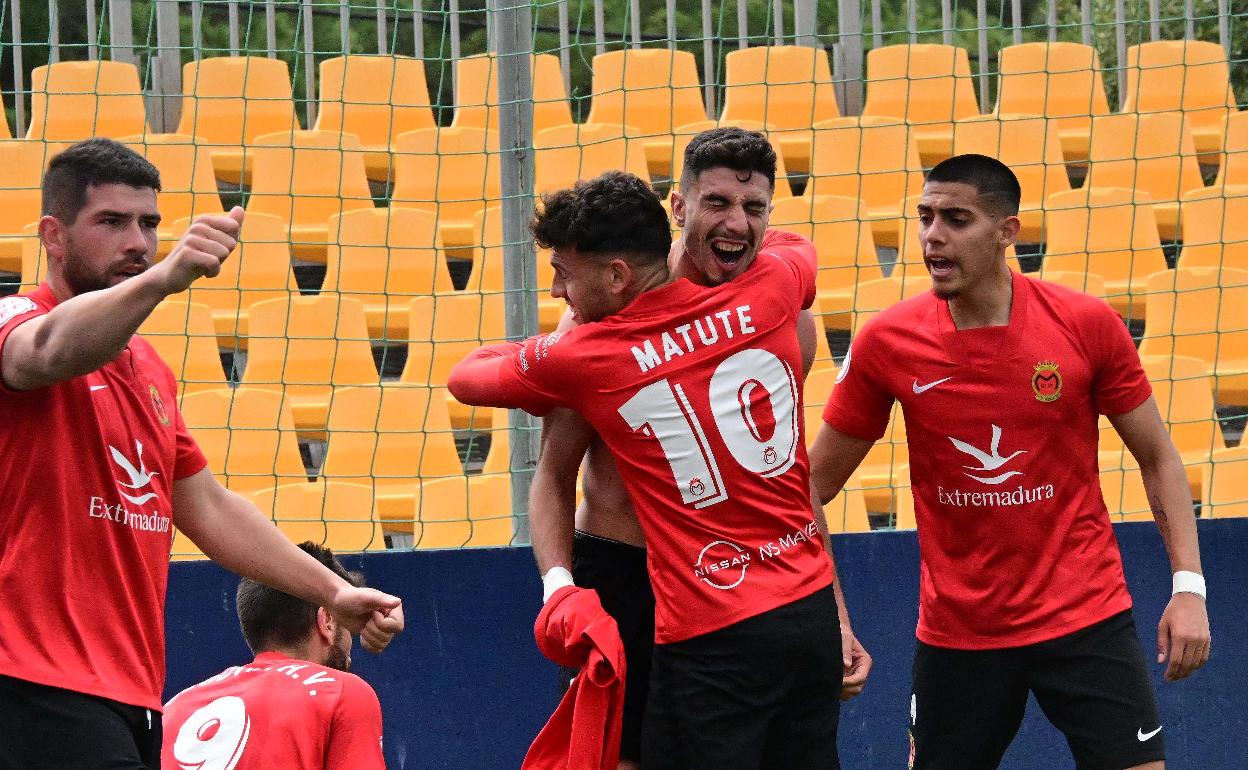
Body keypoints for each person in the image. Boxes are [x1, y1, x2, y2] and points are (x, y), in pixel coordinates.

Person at [0, 138, 404, 770]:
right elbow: (45, 352)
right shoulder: (17, 317)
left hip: (129, 692)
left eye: (149, 224)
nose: (138, 243)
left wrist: (332, 592)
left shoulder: (149, 369)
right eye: (112, 222)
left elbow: (209, 509)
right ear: (53, 235)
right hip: (29, 680)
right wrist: (164, 278)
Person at [809, 153, 1211, 770]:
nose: (933, 235)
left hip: (1086, 616)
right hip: (958, 632)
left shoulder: (1086, 323)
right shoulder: (887, 341)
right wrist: (831, 617)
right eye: (925, 217)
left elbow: (1158, 456)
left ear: (1007, 231)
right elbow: (808, 486)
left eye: (956, 219)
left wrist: (1189, 588)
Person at [449, 169, 849, 769]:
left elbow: (788, 482)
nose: (735, 223)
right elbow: (554, 473)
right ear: (680, 209)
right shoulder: (762, 298)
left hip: (729, 592)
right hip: (630, 575)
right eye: (717, 204)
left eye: (750, 208)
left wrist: (838, 613)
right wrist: (559, 585)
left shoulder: (777, 317)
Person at [162, 541, 386, 769]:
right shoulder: (341, 693)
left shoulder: (172, 710)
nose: (350, 650)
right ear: (327, 620)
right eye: (348, 626)